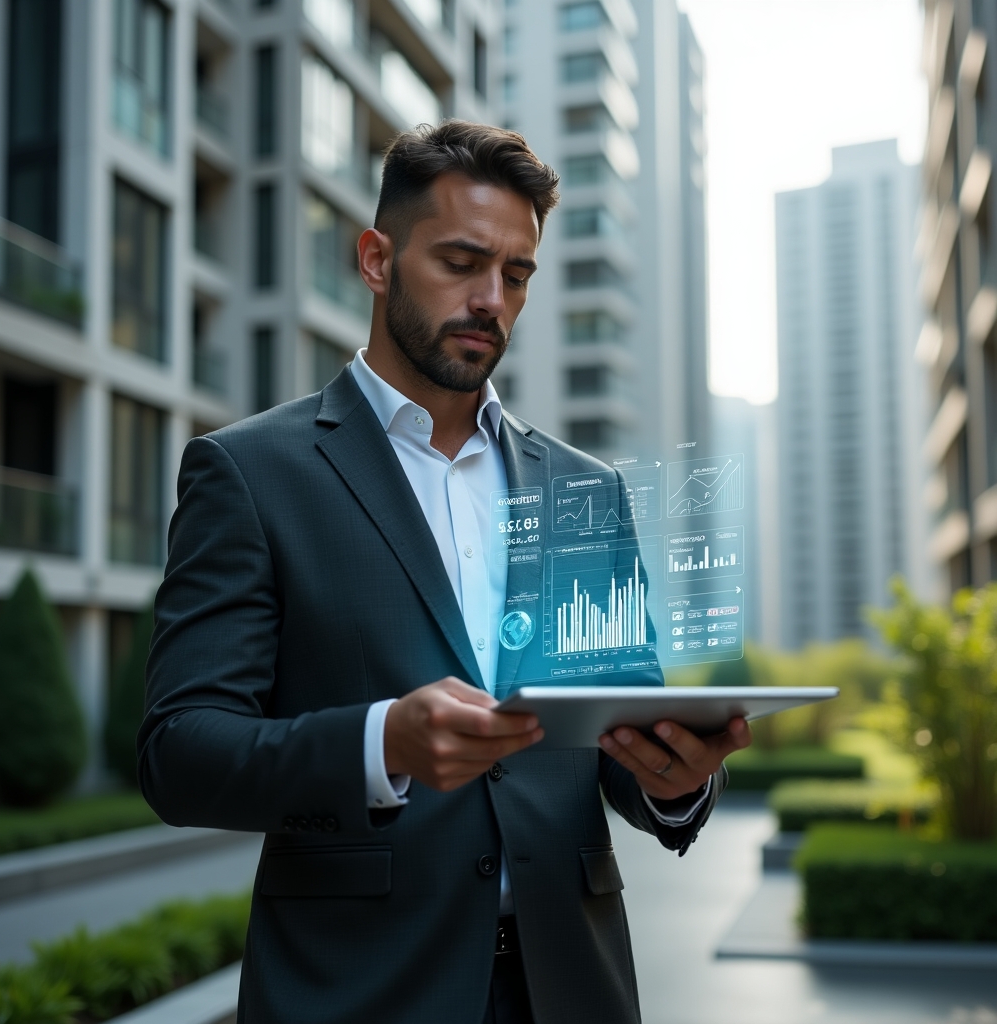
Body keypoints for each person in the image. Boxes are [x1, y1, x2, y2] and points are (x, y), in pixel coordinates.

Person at [139, 120, 750, 1024]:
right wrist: (380, 741)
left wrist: (676, 779)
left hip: (572, 991)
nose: (491, 299)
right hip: (358, 993)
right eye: (462, 263)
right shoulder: (250, 473)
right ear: (377, 259)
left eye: (515, 275)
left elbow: (622, 739)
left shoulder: (584, 491)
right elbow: (179, 752)